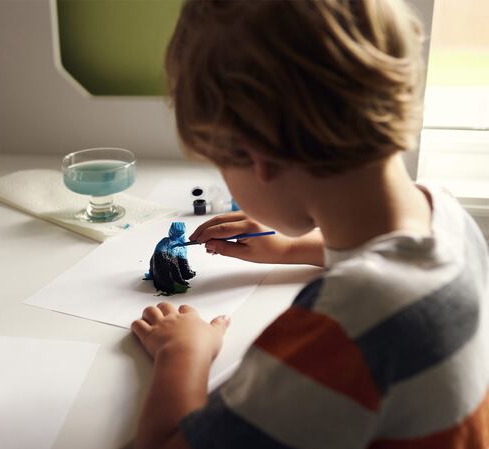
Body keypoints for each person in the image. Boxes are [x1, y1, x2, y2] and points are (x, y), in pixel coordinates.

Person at [130, 2, 489, 449]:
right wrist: (289, 249)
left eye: (220, 163)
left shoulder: (342, 329)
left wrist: (181, 354)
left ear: (257, 154)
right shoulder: (446, 213)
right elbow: (394, 260)